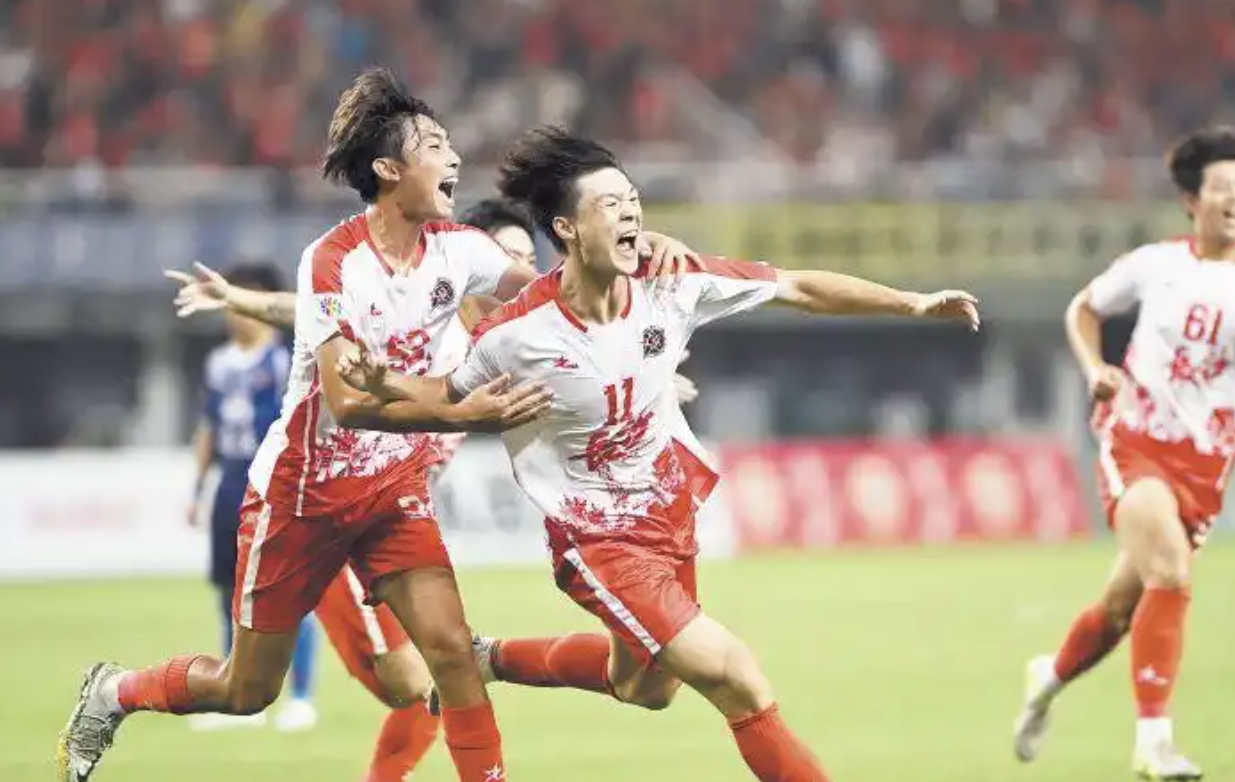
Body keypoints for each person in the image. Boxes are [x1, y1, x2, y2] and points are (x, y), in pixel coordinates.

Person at [341, 126, 980, 782]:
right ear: (566, 229)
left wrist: (912, 302)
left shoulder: (671, 281)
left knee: (646, 687)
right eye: (609, 204)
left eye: (633, 200)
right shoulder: (516, 333)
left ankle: (491, 658)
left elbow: (797, 287)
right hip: (599, 542)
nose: (630, 215)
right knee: (737, 677)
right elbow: (446, 393)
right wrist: (383, 386)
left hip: (669, 515)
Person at [56, 68, 573, 782]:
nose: (454, 156)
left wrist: (626, 265)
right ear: (389, 169)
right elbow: (349, 402)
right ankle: (114, 691)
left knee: (452, 655)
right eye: (434, 145)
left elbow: (553, 297)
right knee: (246, 689)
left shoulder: (461, 249)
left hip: (392, 491)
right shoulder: (334, 263)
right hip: (303, 496)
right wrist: (464, 413)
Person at [162, 197, 699, 782]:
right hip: (329, 514)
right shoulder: (430, 337)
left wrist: (650, 374)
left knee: (446, 668)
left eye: (528, 259)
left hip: (390, 514)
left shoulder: (520, 350)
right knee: (411, 680)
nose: (522, 272)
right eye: (509, 256)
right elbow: (315, 313)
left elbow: (595, 357)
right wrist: (237, 299)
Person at [1011, 127, 1235, 781]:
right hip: (1135, 442)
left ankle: (1049, 678)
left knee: (1120, 611)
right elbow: (1084, 309)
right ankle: (1154, 743)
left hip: (1204, 470)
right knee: (1172, 571)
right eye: (1222, 188)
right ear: (1191, 199)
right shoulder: (1155, 264)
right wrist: (1095, 368)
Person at [187, 262, 320, 734]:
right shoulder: (218, 363)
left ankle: (301, 697)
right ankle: (238, 695)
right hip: (229, 487)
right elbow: (209, 429)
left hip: (276, 487)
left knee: (289, 595)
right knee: (230, 593)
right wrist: (197, 489)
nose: (235, 313)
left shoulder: (287, 359)